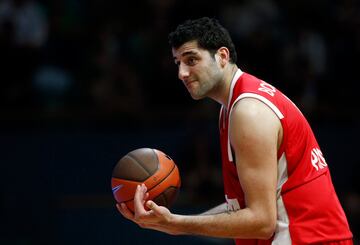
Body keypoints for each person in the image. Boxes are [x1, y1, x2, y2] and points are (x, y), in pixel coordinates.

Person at [117, 17, 353, 244]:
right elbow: (241, 209)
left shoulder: (248, 111)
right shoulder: (235, 105)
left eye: (191, 60)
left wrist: (177, 224)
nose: (182, 73)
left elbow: (261, 221)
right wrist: (170, 223)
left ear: (222, 56)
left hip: (306, 238)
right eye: (178, 63)